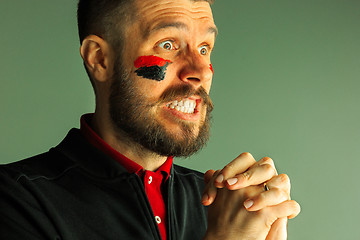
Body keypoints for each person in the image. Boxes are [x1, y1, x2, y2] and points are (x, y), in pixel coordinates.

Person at [0, 0, 300, 239]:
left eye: (204, 48)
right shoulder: (15, 199)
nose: (200, 71)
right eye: (168, 45)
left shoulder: (224, 205)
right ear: (100, 59)